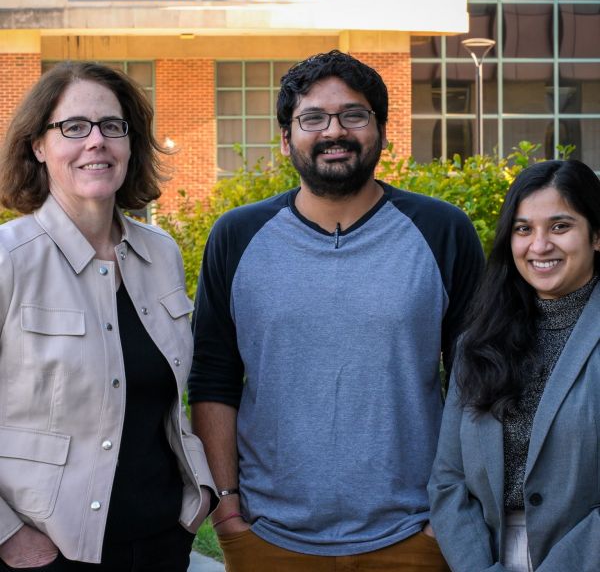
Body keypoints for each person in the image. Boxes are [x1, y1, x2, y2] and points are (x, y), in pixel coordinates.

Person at [189, 50, 483, 571]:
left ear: (382, 131)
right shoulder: (236, 236)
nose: (334, 131)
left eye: (354, 115)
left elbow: (477, 377)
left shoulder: (442, 231)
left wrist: (446, 517)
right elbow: (214, 377)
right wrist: (227, 507)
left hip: (416, 532)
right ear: (286, 139)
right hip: (267, 536)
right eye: (313, 118)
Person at [0, 61, 217, 571]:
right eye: (73, 127)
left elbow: (171, 395)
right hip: (48, 554)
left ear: (130, 144)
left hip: (164, 540)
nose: (95, 141)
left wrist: (201, 494)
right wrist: (7, 536)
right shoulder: (9, 260)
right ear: (38, 146)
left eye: (111, 126)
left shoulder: (161, 253)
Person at [428, 159, 600, 572]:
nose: (539, 246)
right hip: (488, 558)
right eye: (524, 229)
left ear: (596, 235)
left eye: (560, 226)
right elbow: (449, 480)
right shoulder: (479, 341)